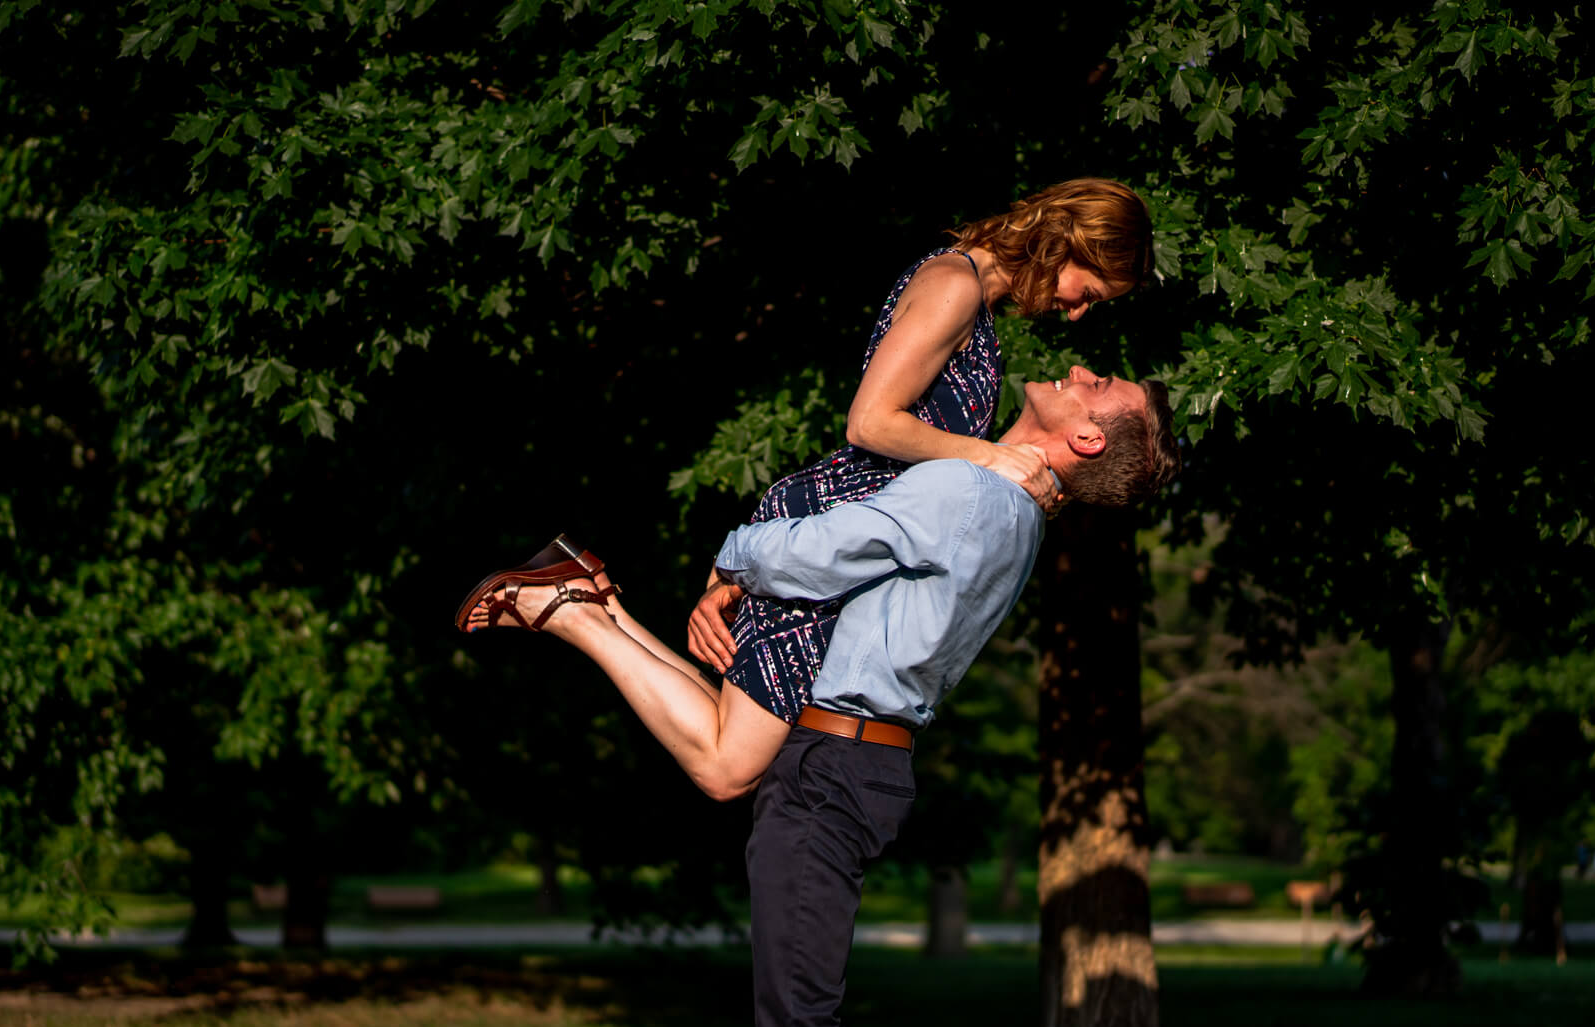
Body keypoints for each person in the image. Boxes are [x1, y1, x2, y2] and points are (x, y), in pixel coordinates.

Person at [458, 366, 1178, 1027]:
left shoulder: (970, 492)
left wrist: (730, 558)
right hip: (843, 756)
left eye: (1099, 384)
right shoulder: (1012, 516)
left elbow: (809, 555)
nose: (1077, 368)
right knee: (790, 995)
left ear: (1086, 440)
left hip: (837, 766)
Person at [460, 179, 1154, 800]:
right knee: (728, 766)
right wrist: (988, 460)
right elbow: (870, 421)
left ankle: (589, 598)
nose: (1075, 314)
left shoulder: (977, 301)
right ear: (1071, 244)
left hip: (840, 532)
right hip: (832, 517)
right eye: (1088, 292)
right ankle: (574, 611)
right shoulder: (956, 286)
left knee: (730, 741)